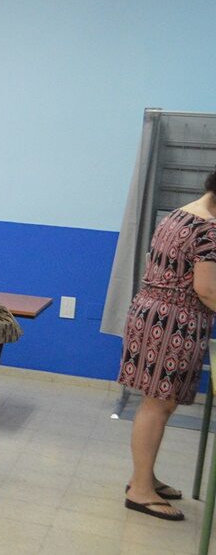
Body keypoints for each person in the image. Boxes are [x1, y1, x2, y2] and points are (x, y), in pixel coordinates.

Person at [118, 169, 216, 521]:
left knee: (159, 403)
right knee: (157, 406)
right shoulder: (210, 229)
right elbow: (206, 289)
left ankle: (143, 477)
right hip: (173, 323)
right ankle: (140, 491)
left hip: (151, 314)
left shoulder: (180, 214)